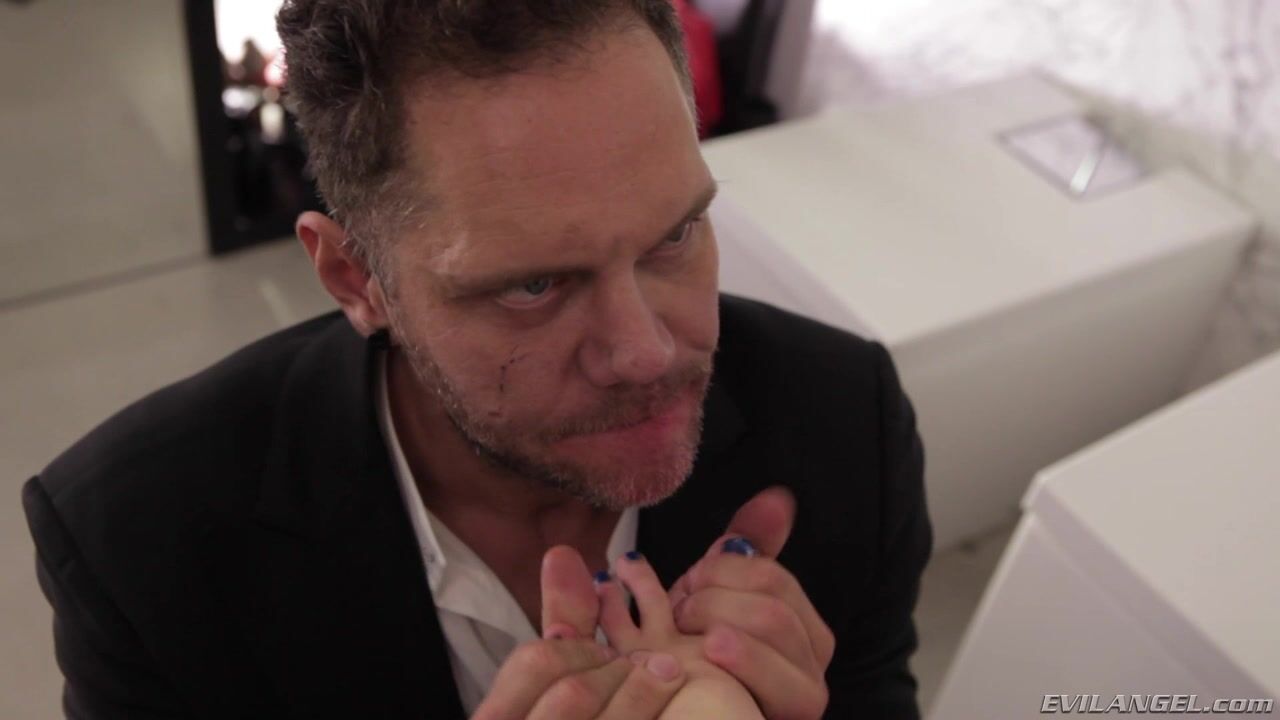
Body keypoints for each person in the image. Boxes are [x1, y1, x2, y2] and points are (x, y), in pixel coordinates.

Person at [22, 1, 932, 718]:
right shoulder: (140, 543)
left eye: (675, 234)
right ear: (355, 279)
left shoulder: (847, 427)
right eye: (533, 286)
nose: (645, 352)